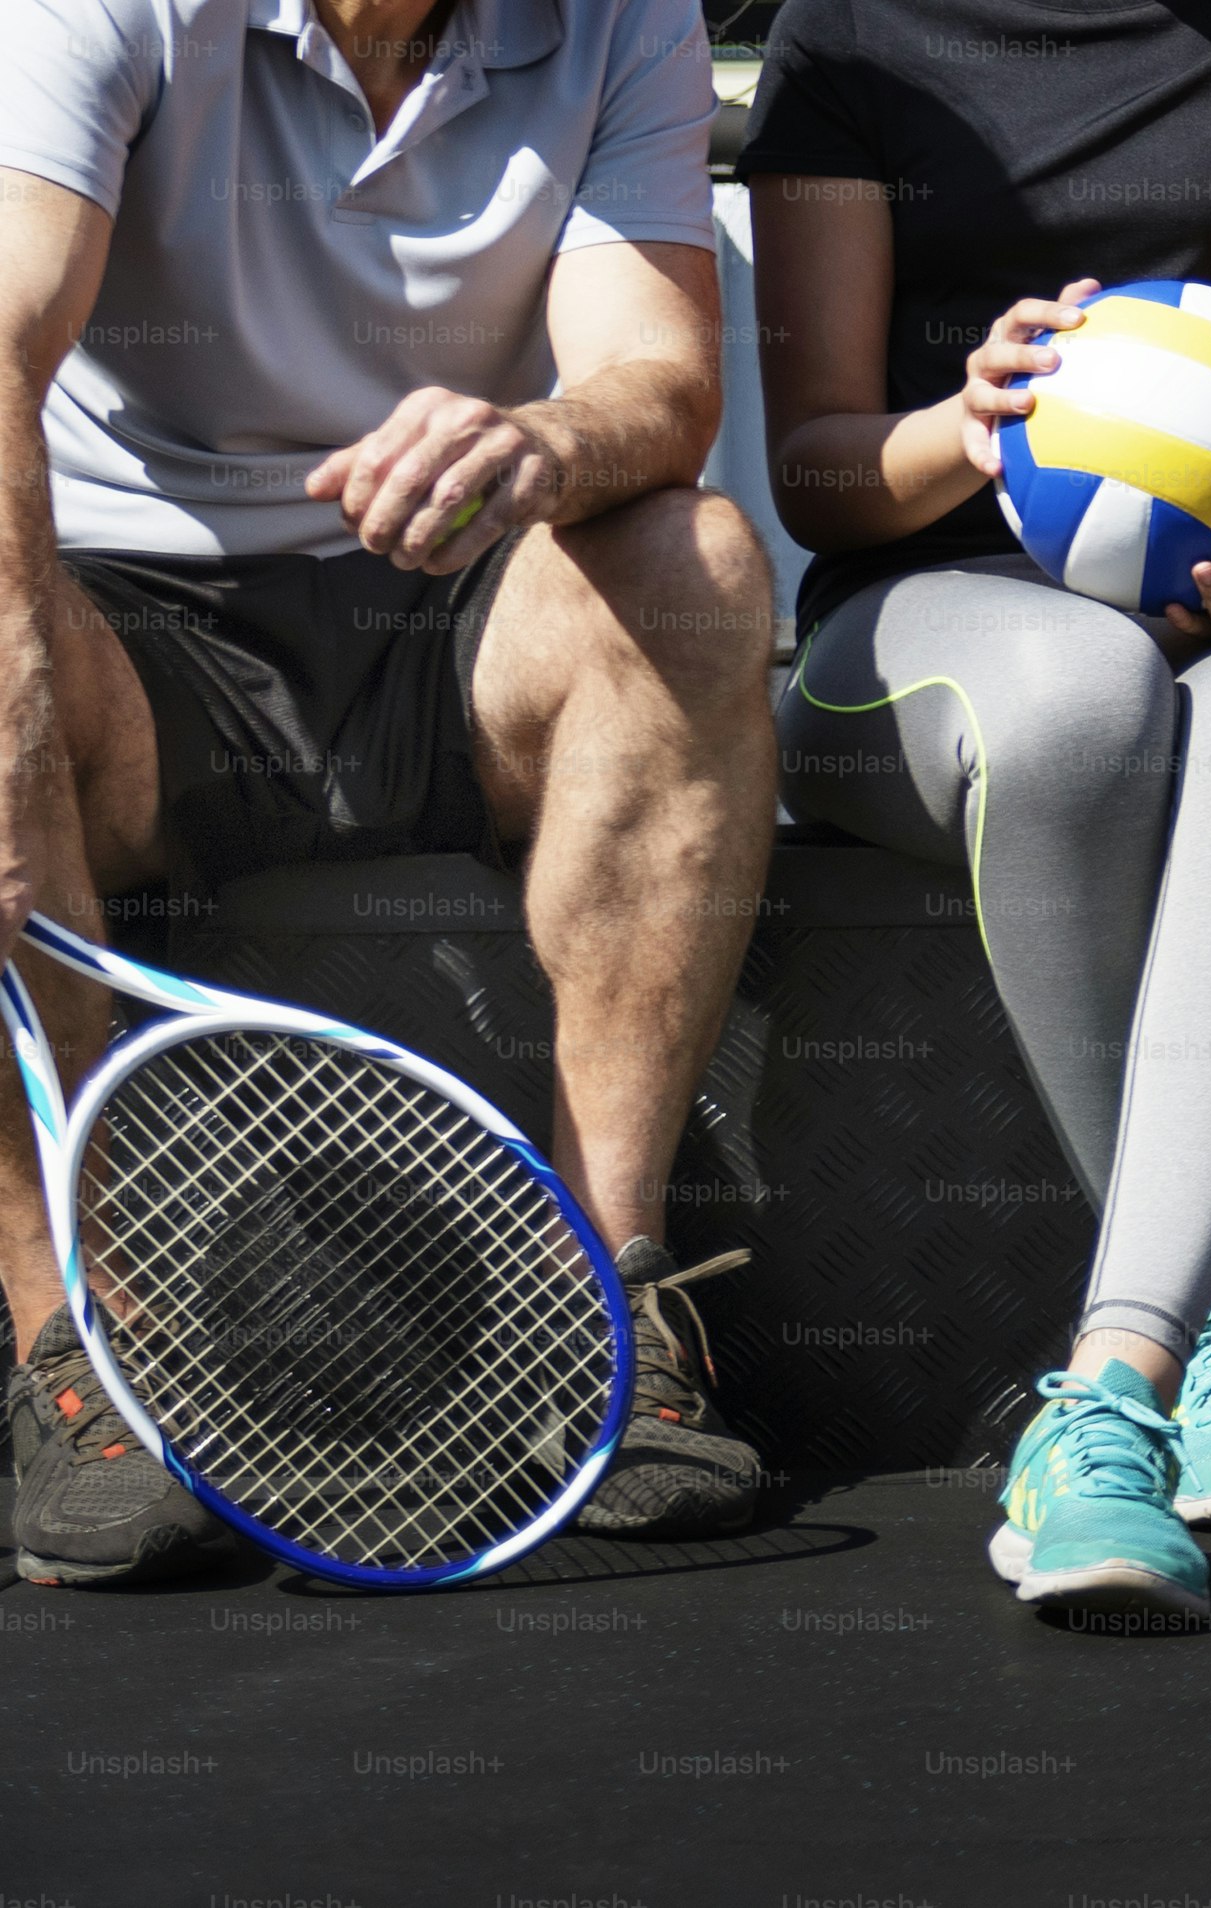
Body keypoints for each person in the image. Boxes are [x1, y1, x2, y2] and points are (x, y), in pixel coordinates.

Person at [0, 0, 781, 1583]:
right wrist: (12, 689)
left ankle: (610, 1309)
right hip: (136, 625)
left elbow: (662, 377)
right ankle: (67, 1354)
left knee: (696, 564)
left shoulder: (628, 16)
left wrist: (543, 440)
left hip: (445, 607)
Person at [739, 0, 1211, 1616]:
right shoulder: (851, 32)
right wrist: (967, 431)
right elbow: (815, 470)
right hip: (906, 630)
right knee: (1086, 704)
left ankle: (1114, 1392)